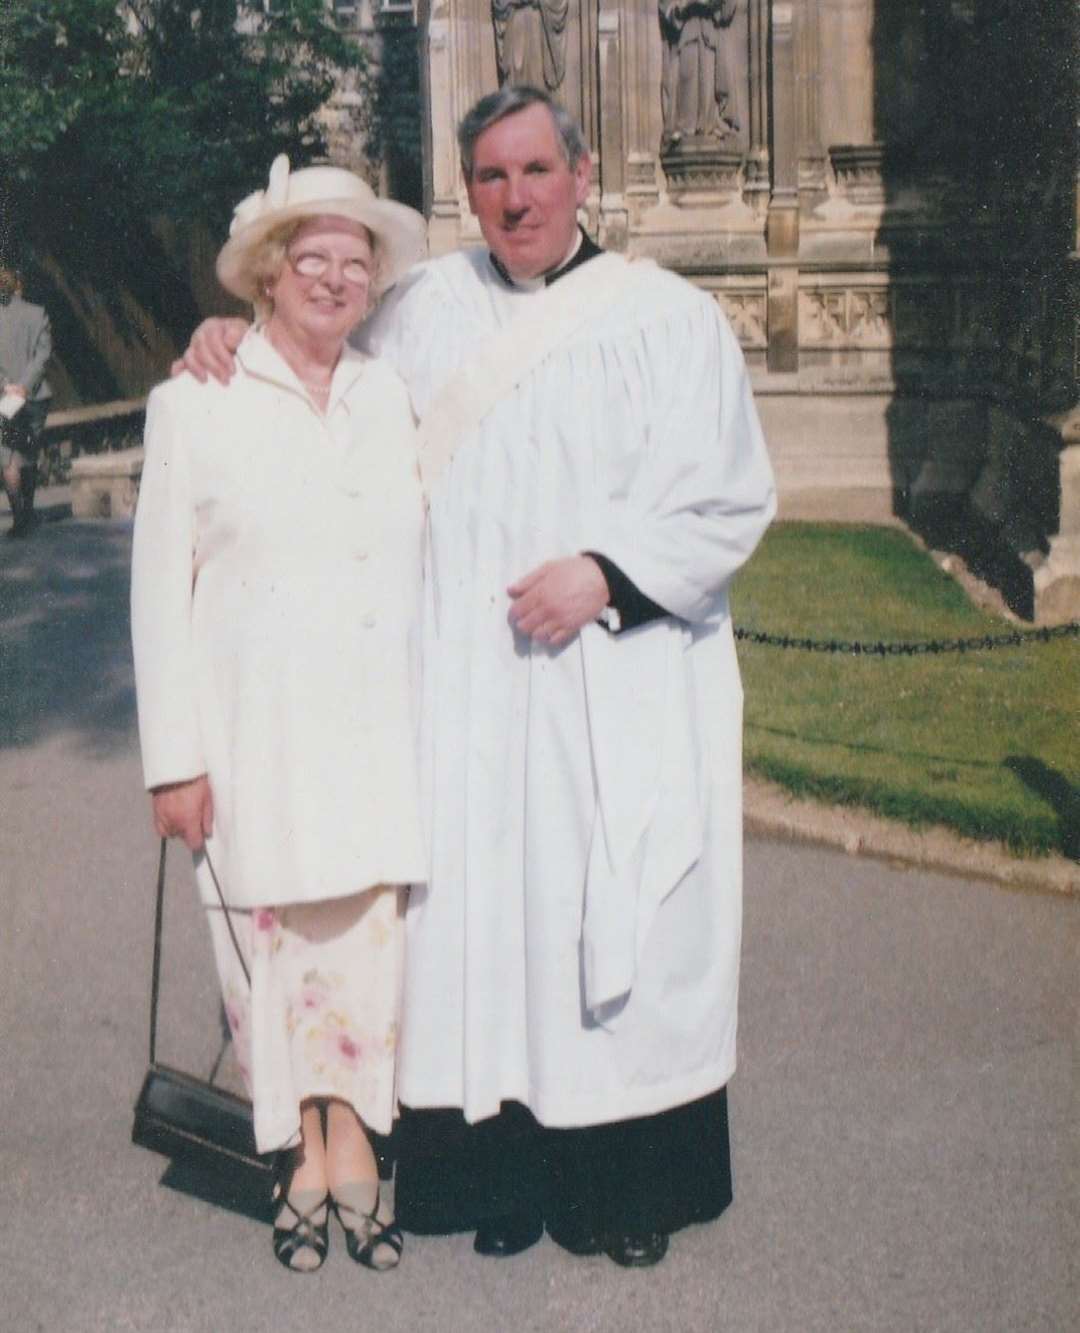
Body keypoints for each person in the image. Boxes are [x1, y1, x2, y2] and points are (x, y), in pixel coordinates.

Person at [178, 85, 776, 1268]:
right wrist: (230, 336)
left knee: (615, 934)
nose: (516, 198)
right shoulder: (422, 310)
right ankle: (498, 1178)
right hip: (463, 697)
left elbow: (731, 496)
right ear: (469, 191)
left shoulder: (669, 319)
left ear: (583, 175)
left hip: (612, 684)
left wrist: (607, 573)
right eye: (491, 179)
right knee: (482, 938)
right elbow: (317, 375)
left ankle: (623, 1190)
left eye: (537, 172)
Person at [131, 157, 428, 1273]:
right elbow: (160, 592)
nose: (337, 279)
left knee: (360, 945)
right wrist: (174, 762)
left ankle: (352, 1129)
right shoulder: (193, 399)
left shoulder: (388, 394)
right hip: (253, 738)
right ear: (266, 272)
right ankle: (296, 1146)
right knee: (270, 951)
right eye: (313, 258)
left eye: (357, 263)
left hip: (375, 732)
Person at [0, 266, 52, 537]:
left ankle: (19, 517)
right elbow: (43, 356)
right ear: (19, 284)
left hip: (4, 398)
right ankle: (29, 512)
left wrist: (7, 387)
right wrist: (25, 385)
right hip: (34, 395)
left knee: (7, 456)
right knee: (29, 452)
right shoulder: (37, 313)